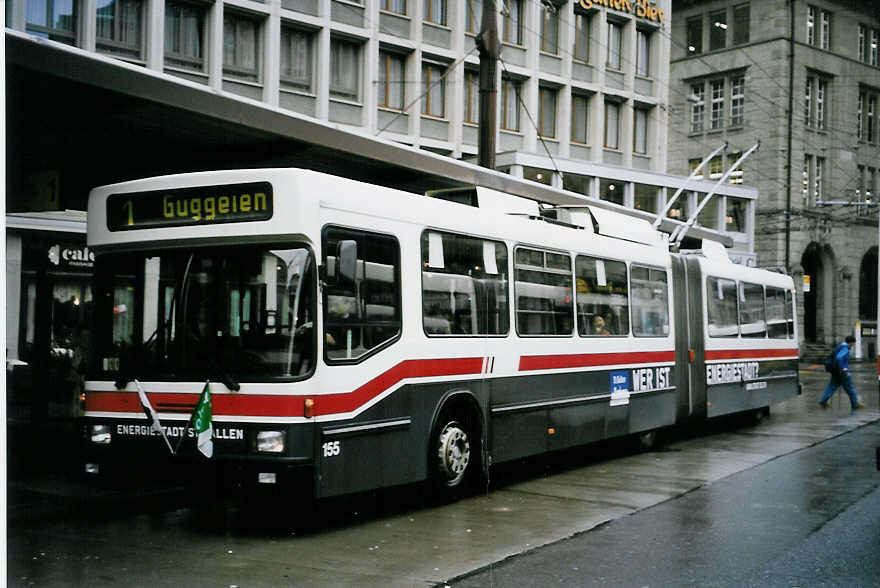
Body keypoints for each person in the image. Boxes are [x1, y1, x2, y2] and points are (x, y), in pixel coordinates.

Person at [819, 335, 864, 410]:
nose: (853, 345)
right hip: (842, 372)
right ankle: (855, 404)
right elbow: (839, 357)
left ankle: (823, 400)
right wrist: (843, 368)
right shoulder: (845, 348)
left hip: (835, 370)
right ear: (852, 343)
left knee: (832, 385)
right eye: (854, 343)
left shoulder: (839, 346)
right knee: (850, 388)